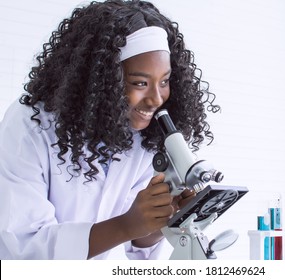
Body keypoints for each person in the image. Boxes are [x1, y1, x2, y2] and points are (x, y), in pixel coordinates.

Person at [0, 0, 220, 260]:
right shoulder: (31, 125)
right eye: (140, 82)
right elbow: (25, 244)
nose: (156, 99)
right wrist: (126, 224)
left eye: (164, 81)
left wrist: (162, 219)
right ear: (101, 80)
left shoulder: (144, 138)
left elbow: (134, 247)